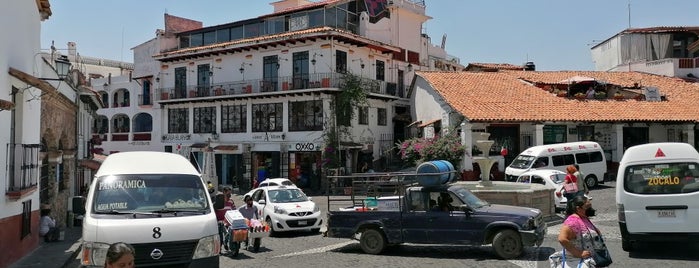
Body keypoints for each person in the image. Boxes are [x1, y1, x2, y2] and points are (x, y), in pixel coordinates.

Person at [549, 195, 607, 268]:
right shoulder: (573, 222)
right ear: (578, 208)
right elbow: (562, 239)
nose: (590, 209)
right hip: (579, 261)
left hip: (593, 260)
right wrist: (578, 253)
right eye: (587, 207)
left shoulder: (583, 217)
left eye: (590, 206)